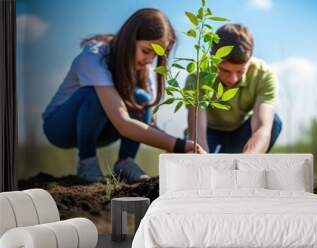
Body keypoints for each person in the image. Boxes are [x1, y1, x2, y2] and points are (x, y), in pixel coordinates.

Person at [42, 8, 204, 183]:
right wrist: (179, 145)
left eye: (157, 54)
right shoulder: (95, 57)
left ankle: (125, 162)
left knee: (141, 98)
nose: (150, 60)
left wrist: (180, 148)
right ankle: (87, 162)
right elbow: (122, 123)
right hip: (60, 127)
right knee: (92, 93)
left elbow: (147, 124)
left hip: (103, 131)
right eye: (146, 50)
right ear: (129, 41)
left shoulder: (144, 69)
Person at [186, 24, 282, 153]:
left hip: (240, 133)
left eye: (240, 71)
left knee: (274, 122)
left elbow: (262, 128)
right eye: (224, 70)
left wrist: (247, 161)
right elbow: (197, 133)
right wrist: (203, 160)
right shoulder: (197, 77)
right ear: (213, 59)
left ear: (250, 60)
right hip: (208, 132)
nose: (232, 79)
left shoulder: (264, 74)